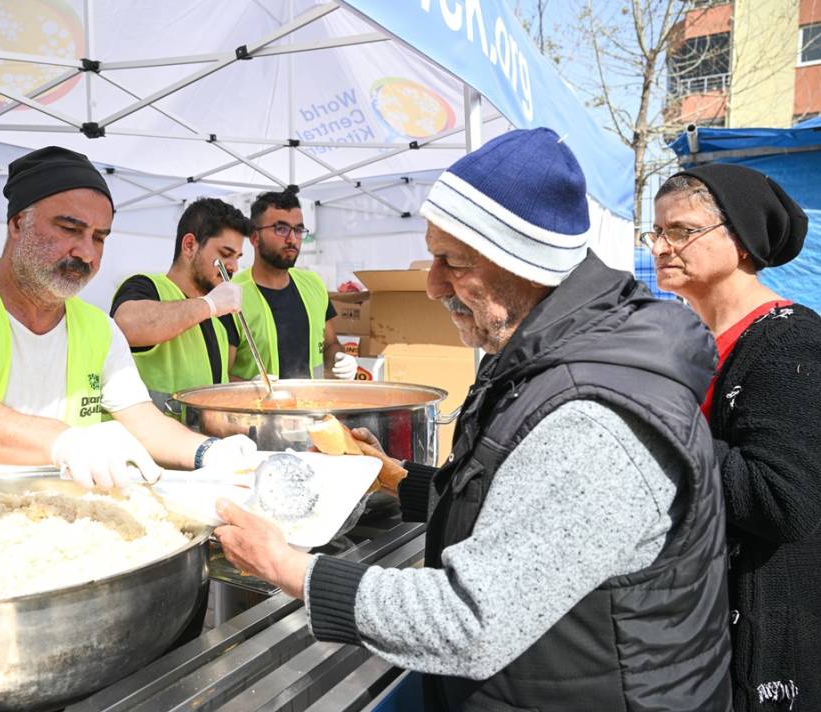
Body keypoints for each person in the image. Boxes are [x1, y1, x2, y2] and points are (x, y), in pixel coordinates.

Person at [214, 128, 732, 711]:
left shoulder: (595, 416)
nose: (433, 285)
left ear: (527, 264)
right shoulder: (537, 351)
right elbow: (513, 504)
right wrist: (395, 479)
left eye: (453, 263)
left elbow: (470, 620)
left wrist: (289, 568)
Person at [0, 146, 256, 489]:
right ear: (17, 223)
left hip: (51, 522)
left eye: (100, 238)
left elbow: (143, 422)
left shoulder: (98, 329)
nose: (87, 253)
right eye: (70, 229)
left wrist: (209, 452)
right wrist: (66, 441)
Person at [648, 164, 821, 712]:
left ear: (741, 240)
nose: (661, 246)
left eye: (681, 231)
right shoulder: (686, 343)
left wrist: (658, 416)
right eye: (655, 232)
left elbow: (782, 499)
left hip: (755, 644)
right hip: (688, 631)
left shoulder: (789, 341)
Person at [110, 198, 247, 411]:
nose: (234, 267)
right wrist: (209, 305)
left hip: (198, 440)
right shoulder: (146, 287)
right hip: (145, 441)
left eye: (237, 257)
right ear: (190, 245)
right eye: (226, 254)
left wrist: (250, 390)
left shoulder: (217, 322)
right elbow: (127, 324)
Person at [229, 189, 357, 381]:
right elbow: (219, 373)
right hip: (255, 410)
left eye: (298, 230)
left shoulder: (313, 284)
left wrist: (340, 360)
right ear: (255, 238)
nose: (292, 239)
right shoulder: (232, 295)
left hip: (311, 406)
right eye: (281, 229)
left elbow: (331, 344)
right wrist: (247, 389)